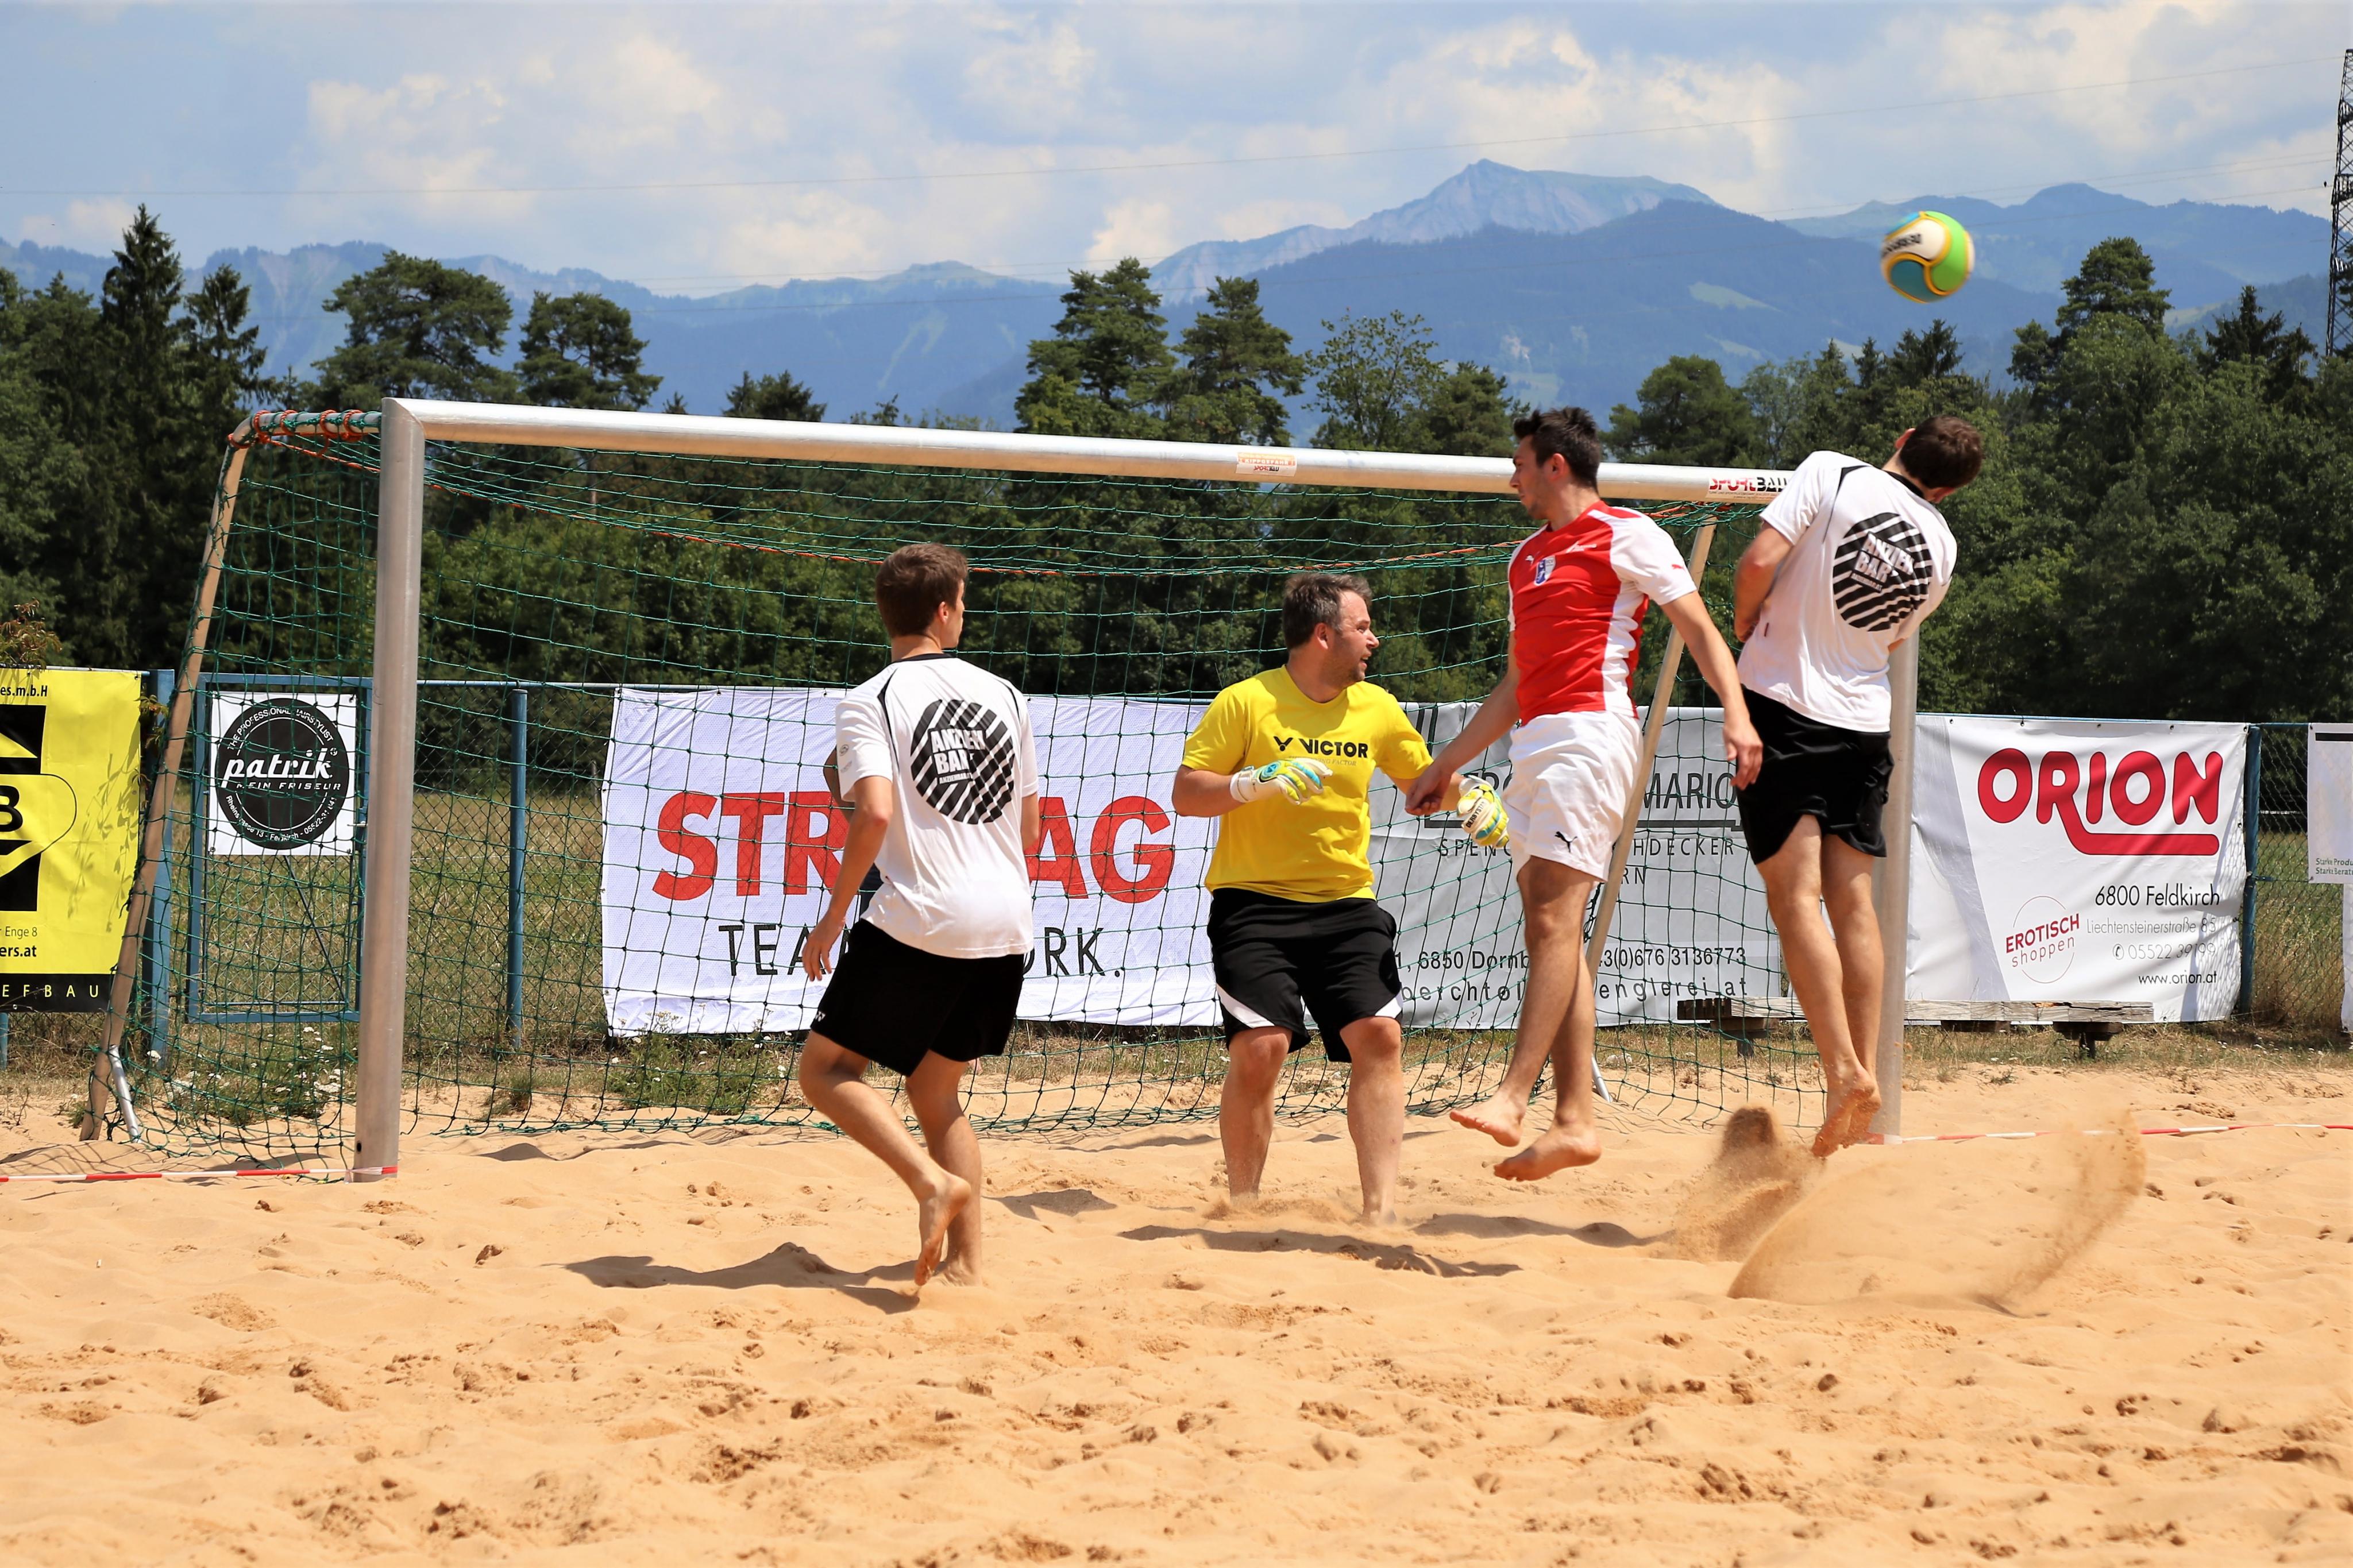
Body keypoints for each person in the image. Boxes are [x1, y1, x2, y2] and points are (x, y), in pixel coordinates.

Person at [1410, 407, 1761, 1180]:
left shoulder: (1627, 533)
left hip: (1590, 734)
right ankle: (1574, 1119)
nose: (1511, 478)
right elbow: (1516, 683)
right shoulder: (1524, 558)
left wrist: (1737, 715)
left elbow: (1699, 630)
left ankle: (1515, 1095)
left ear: (1556, 465)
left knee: (1552, 920)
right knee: (1554, 934)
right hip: (1535, 742)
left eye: (1519, 464)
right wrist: (1447, 763)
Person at [1172, 572, 1503, 1224]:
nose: (1374, 640)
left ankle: (1380, 1212)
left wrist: (1471, 797)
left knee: (1380, 1037)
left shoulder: (1376, 707)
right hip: (1254, 902)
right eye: (1362, 627)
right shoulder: (1246, 702)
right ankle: (1244, 1206)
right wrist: (1251, 783)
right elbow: (1186, 794)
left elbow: (1424, 781)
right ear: (1323, 635)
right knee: (1261, 1048)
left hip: (1346, 903)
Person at [1730, 416, 1979, 1156]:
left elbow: (1758, 559)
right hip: (1867, 723)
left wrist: (1746, 622)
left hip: (1784, 705)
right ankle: (1863, 1077)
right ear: (1948, 491)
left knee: (1794, 897)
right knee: (1852, 903)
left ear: (1903, 435)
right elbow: (1895, 635)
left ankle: (1844, 1072)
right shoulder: (1942, 544)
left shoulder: (1832, 470)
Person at [799, 543, 1042, 1286]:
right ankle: (968, 1267)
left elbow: (872, 813)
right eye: (963, 602)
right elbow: (1030, 830)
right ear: (943, 610)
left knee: (825, 1071)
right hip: (1007, 924)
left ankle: (929, 1182)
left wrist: (832, 918)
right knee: (937, 1092)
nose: (964, 613)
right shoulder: (1005, 695)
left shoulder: (868, 699)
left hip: (926, 918)